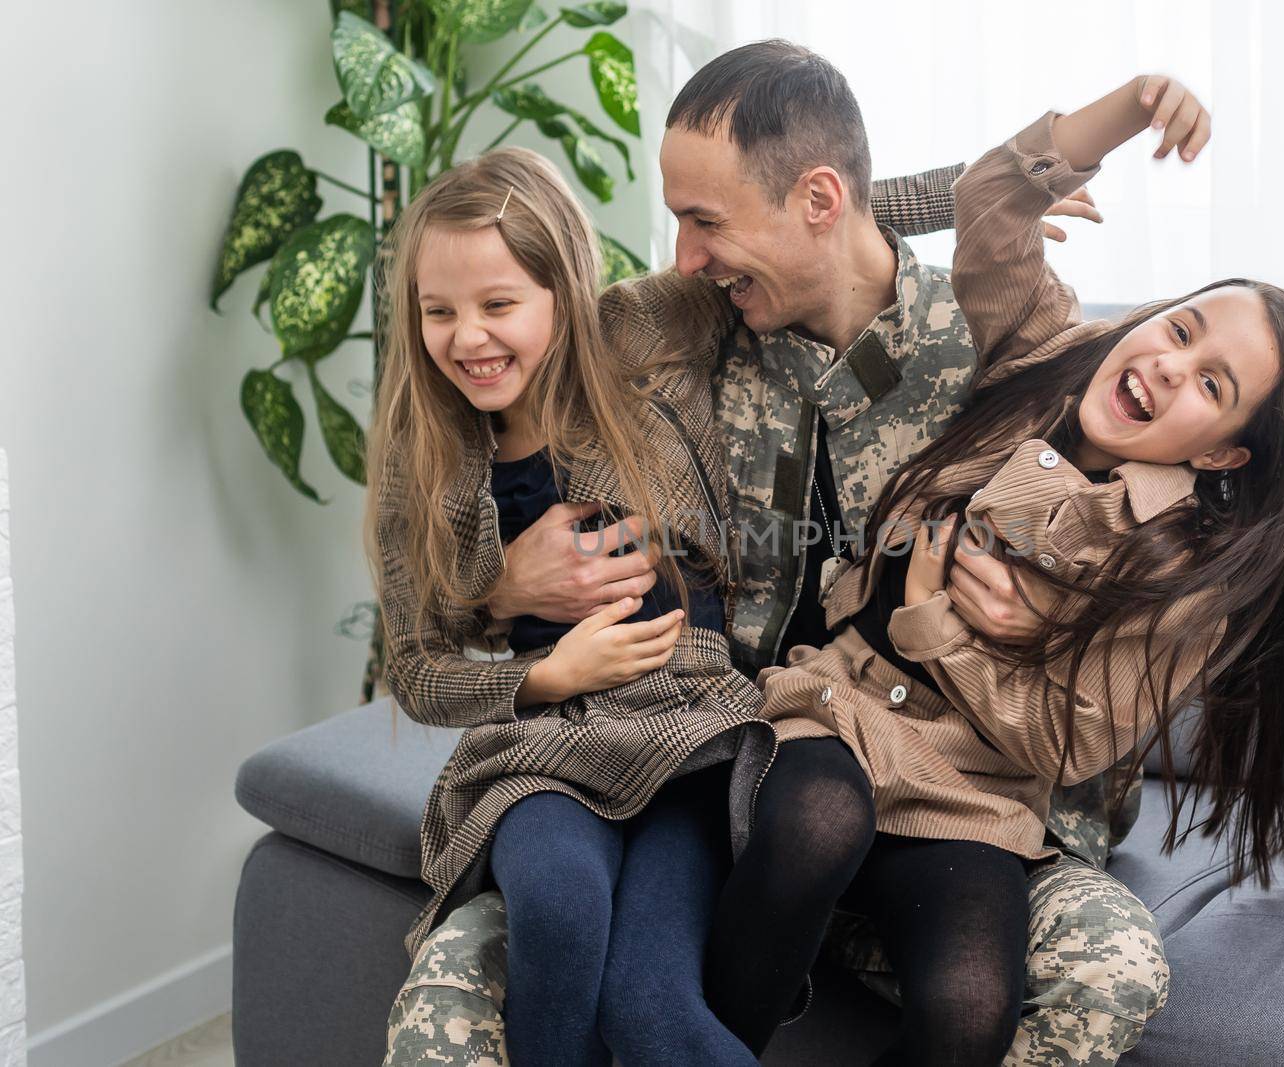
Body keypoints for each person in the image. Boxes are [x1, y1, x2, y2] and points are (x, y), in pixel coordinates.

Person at [396, 40, 1179, 1067]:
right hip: (730, 770)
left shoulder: (994, 339)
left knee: (1109, 964)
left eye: (705, 223)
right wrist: (505, 586)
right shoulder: (674, 323)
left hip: (950, 793)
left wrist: (1018, 180)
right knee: (454, 997)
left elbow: (1150, 501)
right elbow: (496, 372)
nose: (680, 253)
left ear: (818, 201)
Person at [722, 74, 1284, 1065]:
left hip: (971, 790)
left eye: (1210, 385)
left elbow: (1060, 739)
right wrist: (1129, 112)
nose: (1171, 367)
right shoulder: (1037, 353)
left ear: (1223, 451)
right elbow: (991, 204)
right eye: (1179, 330)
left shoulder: (1185, 574)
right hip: (833, 706)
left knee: (971, 1002)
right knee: (816, 820)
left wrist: (947, 624)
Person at [368, 143, 965, 1064]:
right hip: (546, 750)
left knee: (650, 1007)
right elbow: (412, 670)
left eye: (498, 306)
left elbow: (813, 217)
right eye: (437, 311)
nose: (468, 338)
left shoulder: (640, 335)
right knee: (560, 917)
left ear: (566, 291)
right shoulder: (427, 462)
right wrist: (539, 666)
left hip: (691, 740)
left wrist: (1005, 183)